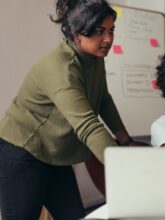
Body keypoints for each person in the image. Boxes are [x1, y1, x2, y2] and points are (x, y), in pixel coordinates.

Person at [0, 0, 144, 219]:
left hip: (55, 156)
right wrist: (125, 167)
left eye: (111, 31)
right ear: (77, 34)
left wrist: (126, 141)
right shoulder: (62, 68)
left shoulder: (94, 58)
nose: (108, 39)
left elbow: (103, 99)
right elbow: (87, 126)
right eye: (99, 31)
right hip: (22, 152)